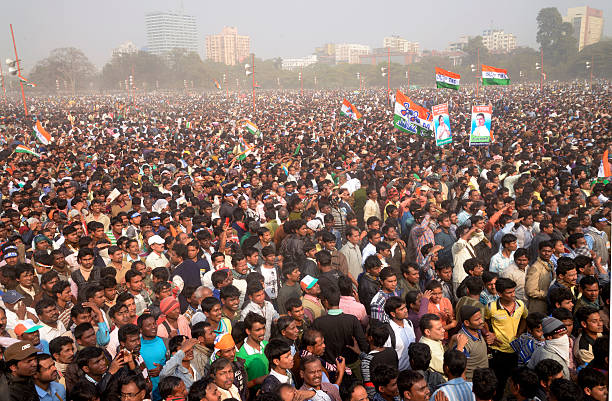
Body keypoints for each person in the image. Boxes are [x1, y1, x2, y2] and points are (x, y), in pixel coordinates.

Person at [486, 277, 527, 401]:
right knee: (499, 382)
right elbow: (484, 321)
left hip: (516, 351)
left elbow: (525, 318)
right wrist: (489, 333)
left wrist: (519, 334)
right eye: (509, 292)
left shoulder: (520, 305)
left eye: (514, 291)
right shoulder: (491, 307)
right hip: (498, 352)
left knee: (515, 382)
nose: (513, 295)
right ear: (499, 294)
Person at [450, 305, 489, 380]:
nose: (481, 321)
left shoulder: (477, 329)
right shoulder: (463, 341)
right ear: (467, 323)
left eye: (480, 318)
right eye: (477, 319)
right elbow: (461, 369)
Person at [384, 296, 415, 371]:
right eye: (402, 309)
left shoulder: (409, 323)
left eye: (405, 307)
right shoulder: (387, 331)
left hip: (412, 371)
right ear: (393, 314)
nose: (406, 310)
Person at [525, 240, 555, 314]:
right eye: (544, 251)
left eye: (549, 251)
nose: (546, 253)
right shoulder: (535, 267)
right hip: (538, 306)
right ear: (539, 251)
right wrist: (547, 295)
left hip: (547, 305)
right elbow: (531, 291)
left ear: (552, 251)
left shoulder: (550, 264)